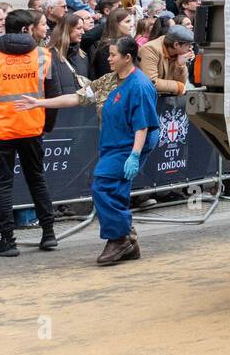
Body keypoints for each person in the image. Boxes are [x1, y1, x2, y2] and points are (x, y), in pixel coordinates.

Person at [17, 36, 159, 266]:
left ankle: (119, 239)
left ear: (128, 58)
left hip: (131, 143)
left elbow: (142, 125)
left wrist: (134, 155)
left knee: (103, 185)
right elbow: (77, 97)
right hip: (112, 141)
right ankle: (127, 237)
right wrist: (40, 103)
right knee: (114, 189)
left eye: (113, 55)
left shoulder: (140, 86)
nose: (109, 58)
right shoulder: (109, 81)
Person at [0, 8, 63, 257]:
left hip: (0, 129)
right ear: (26, 29)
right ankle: (48, 233)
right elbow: (53, 95)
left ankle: (7, 240)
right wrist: (46, 125)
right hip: (32, 126)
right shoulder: (43, 56)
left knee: (2, 184)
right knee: (37, 178)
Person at [138, 24, 193, 95]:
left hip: (164, 99)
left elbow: (182, 83)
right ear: (176, 45)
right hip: (144, 97)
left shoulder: (179, 53)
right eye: (188, 45)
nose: (190, 48)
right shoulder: (150, 49)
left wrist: (180, 65)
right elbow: (151, 82)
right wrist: (177, 86)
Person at [45, 12, 90, 94]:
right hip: (59, 105)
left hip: (83, 105)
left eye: (83, 28)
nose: (83, 32)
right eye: (79, 28)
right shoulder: (47, 56)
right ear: (67, 29)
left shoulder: (83, 56)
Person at [90, 8, 134, 80]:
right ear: (116, 24)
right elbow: (106, 77)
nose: (131, 25)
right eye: (127, 22)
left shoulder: (128, 42)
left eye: (130, 21)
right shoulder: (107, 48)